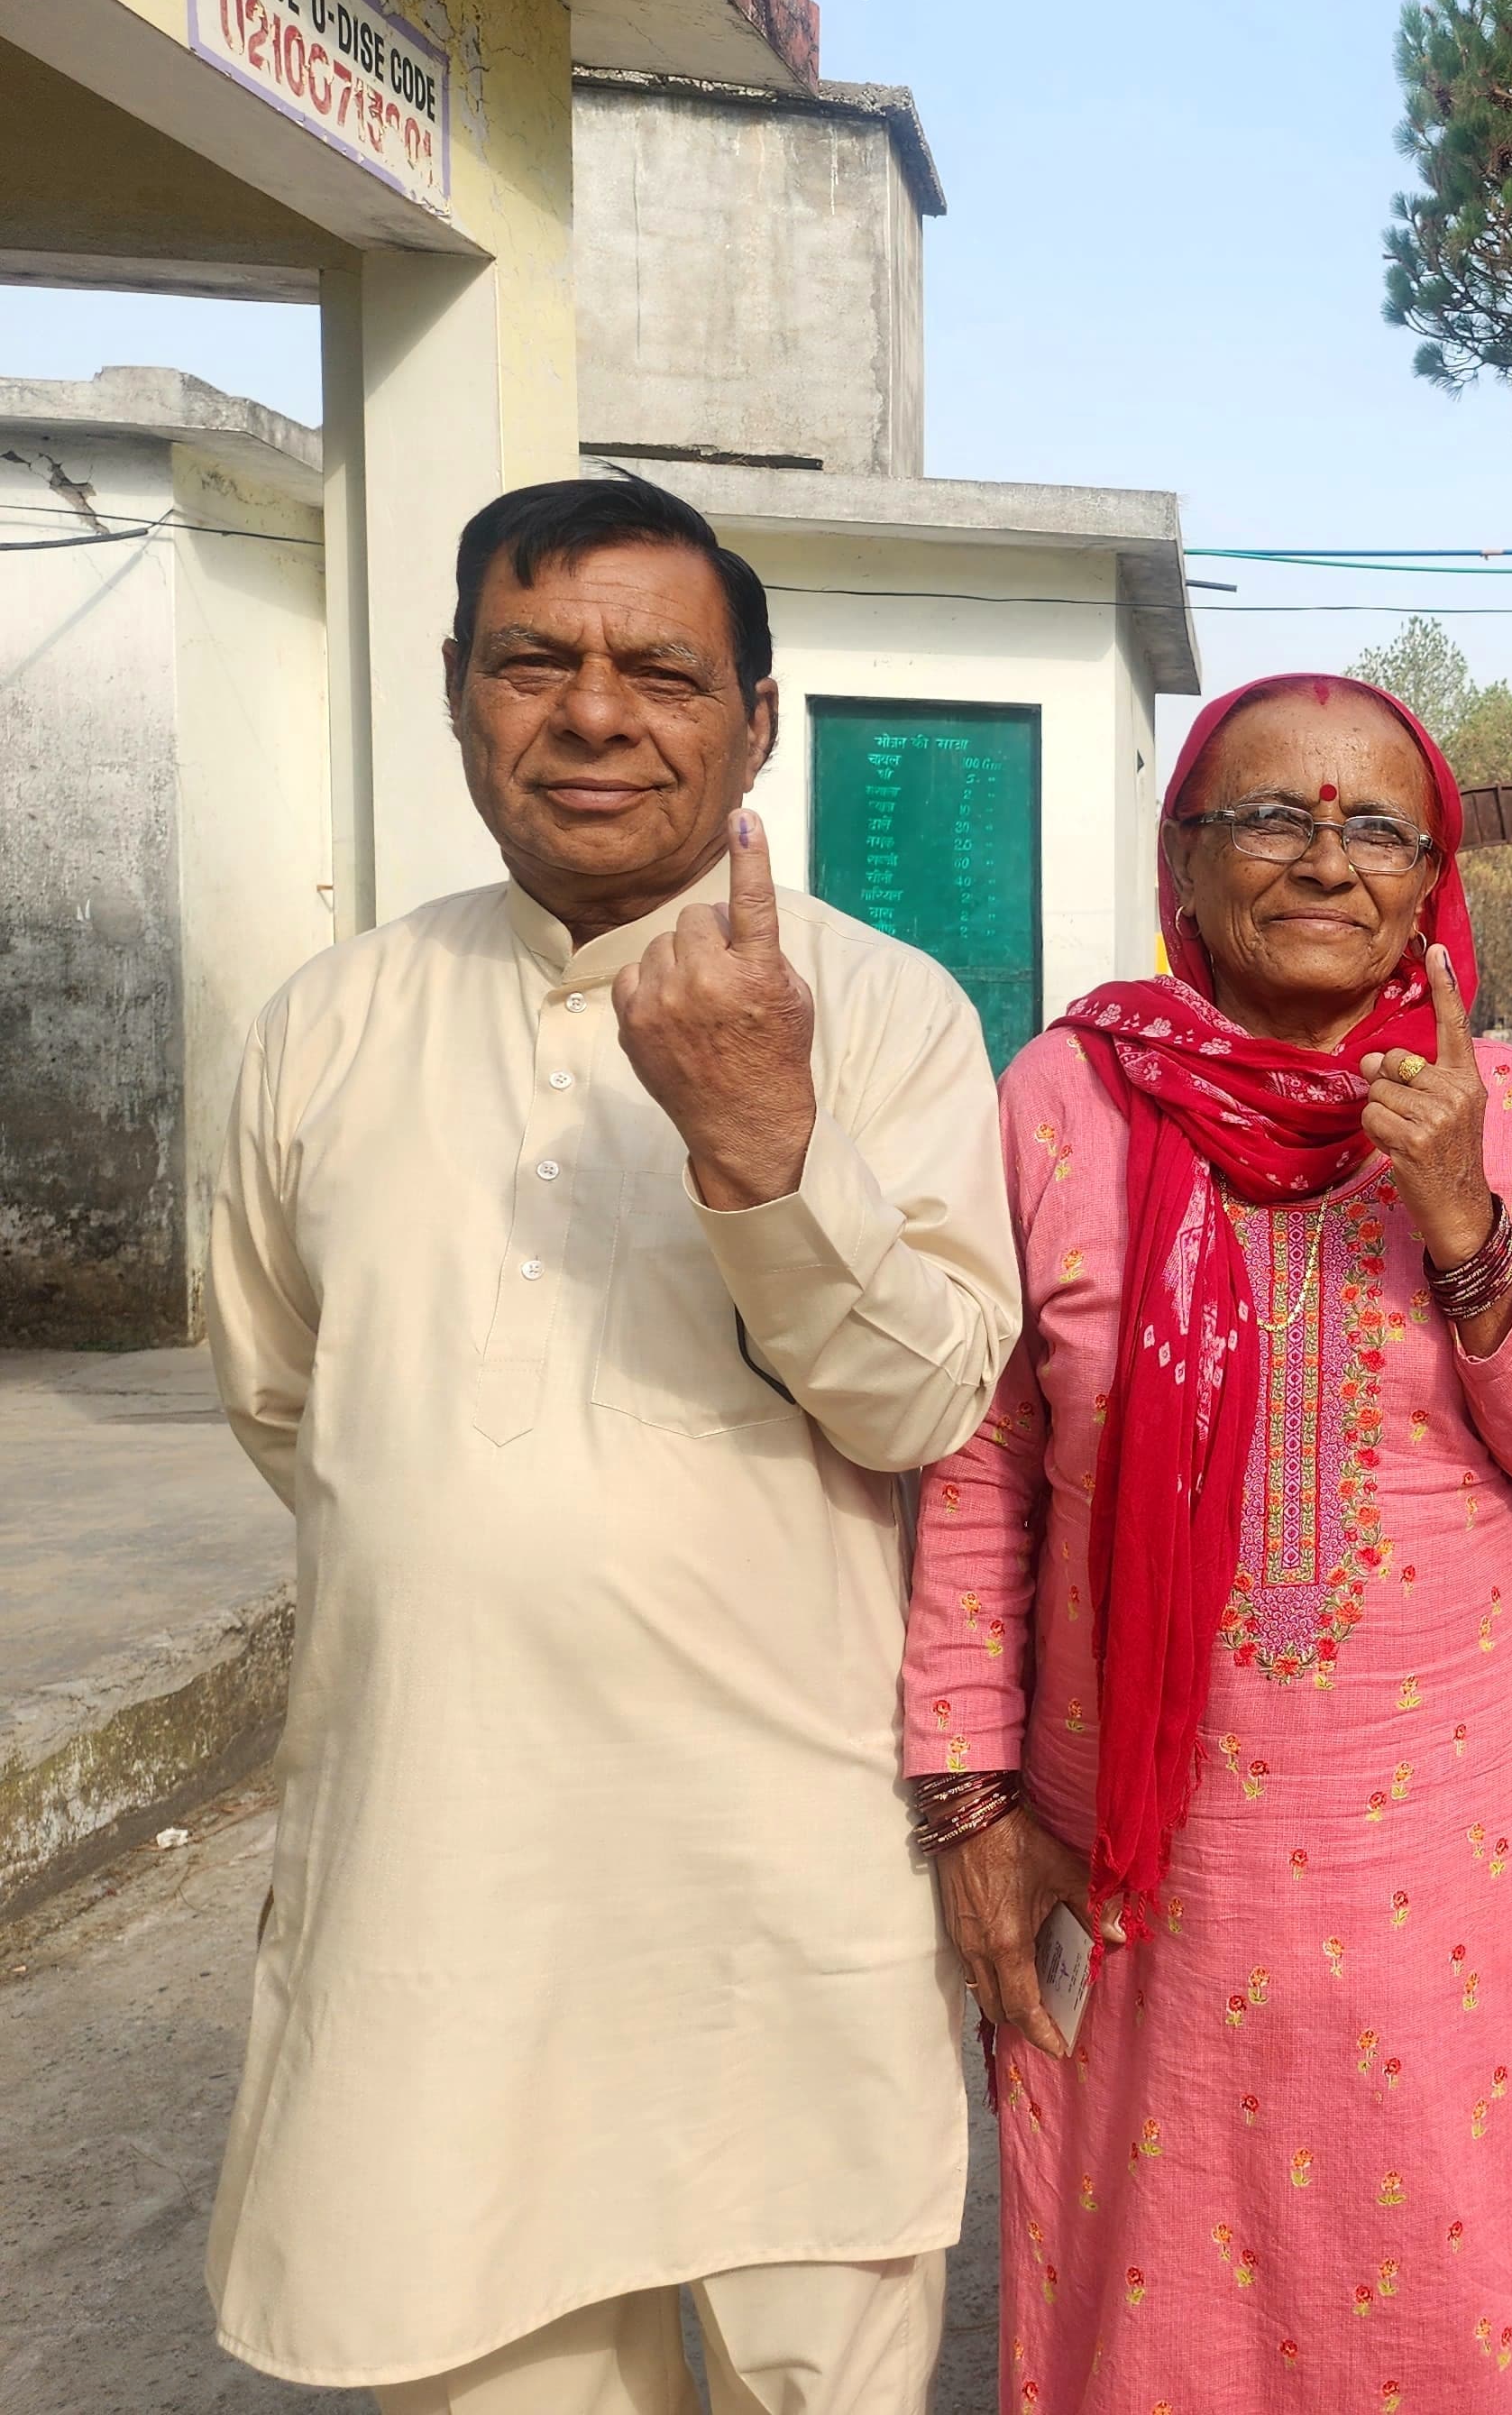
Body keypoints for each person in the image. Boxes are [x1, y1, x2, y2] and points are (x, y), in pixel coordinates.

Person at [202, 479, 1019, 2409]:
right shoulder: (329, 1025)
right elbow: (293, 1407)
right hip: (441, 1884)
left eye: (659, 670)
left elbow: (921, 1400)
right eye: (531, 663)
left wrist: (757, 1137)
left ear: (750, 719)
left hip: (776, 1896)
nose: (592, 714)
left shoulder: (887, 1017)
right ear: (455, 695)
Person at [903, 675, 1512, 2415]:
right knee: (1167, 2297)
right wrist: (967, 1798)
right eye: (1272, 817)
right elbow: (985, 1467)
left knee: (1457, 2276)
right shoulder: (1067, 1098)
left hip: (1448, 1869)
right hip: (1155, 1859)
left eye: (1377, 825)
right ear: (1185, 856)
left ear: (1431, 875)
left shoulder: (1508, 1106)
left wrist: (1459, 1213)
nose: (1326, 858)